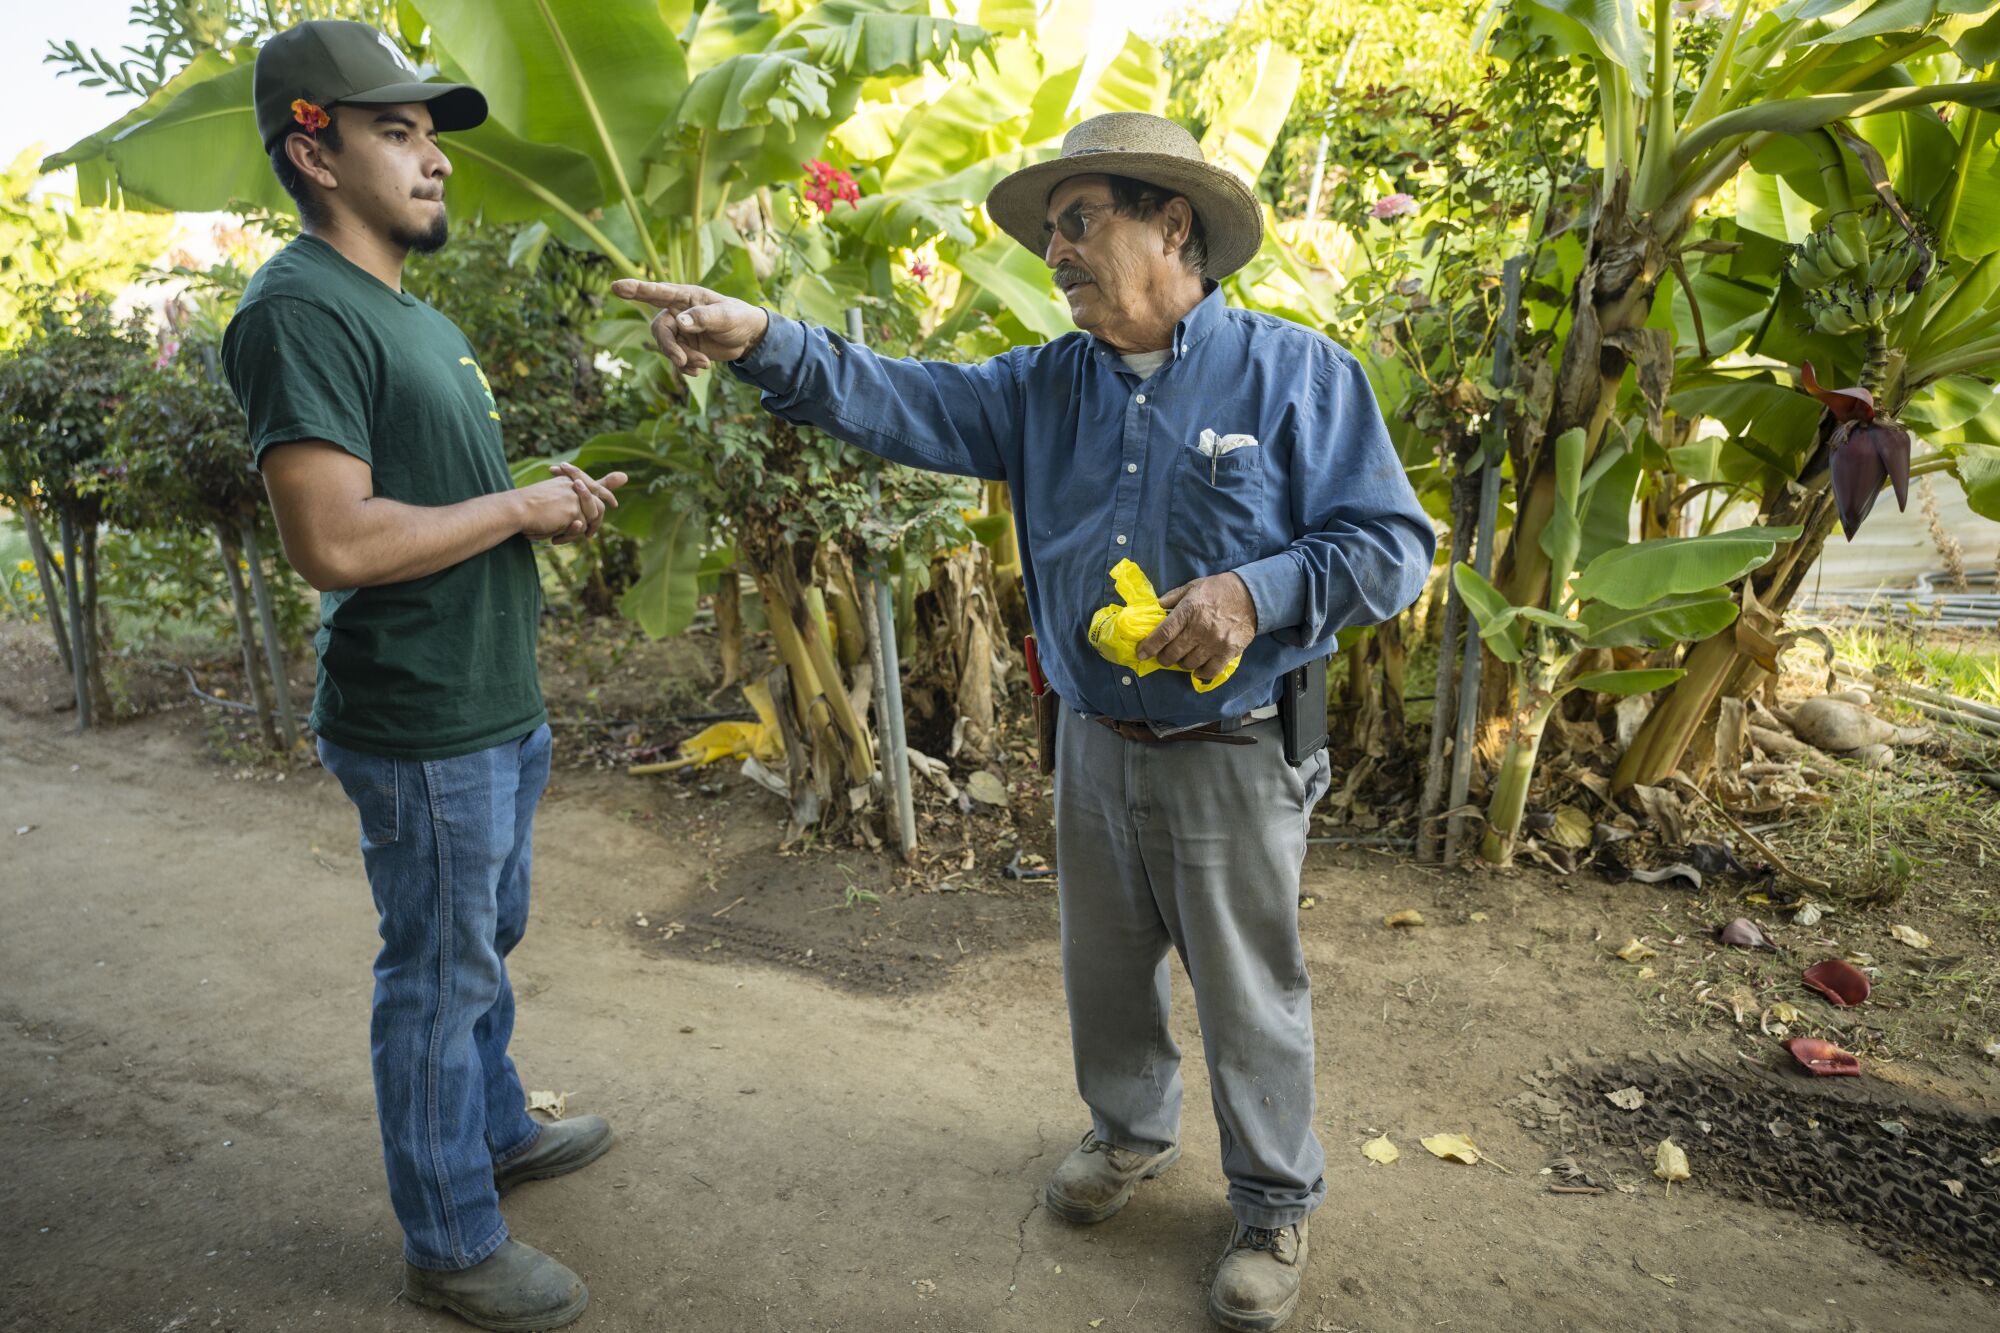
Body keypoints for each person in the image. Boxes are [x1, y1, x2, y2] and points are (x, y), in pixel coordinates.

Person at [612, 111, 1436, 1332]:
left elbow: (1392, 549)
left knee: (1247, 987)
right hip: (1095, 745)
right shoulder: (1041, 385)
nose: (1054, 251)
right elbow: (895, 399)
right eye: (1049, 232)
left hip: (1236, 749)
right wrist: (761, 339)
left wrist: (1251, 591)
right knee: (1103, 973)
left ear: (1172, 224)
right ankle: (1127, 1134)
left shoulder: (1295, 375)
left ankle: (1270, 1198)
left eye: (1077, 221)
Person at [220, 21, 626, 1332]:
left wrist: (540, 499)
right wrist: (518, 511)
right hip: (423, 716)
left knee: (484, 942)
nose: (432, 152)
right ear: (312, 147)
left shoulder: (407, 312)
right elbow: (330, 540)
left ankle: (494, 1126)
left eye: (428, 128)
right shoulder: (298, 309)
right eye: (394, 129)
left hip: (493, 702)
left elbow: (444, 500)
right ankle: (449, 1237)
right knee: (440, 971)